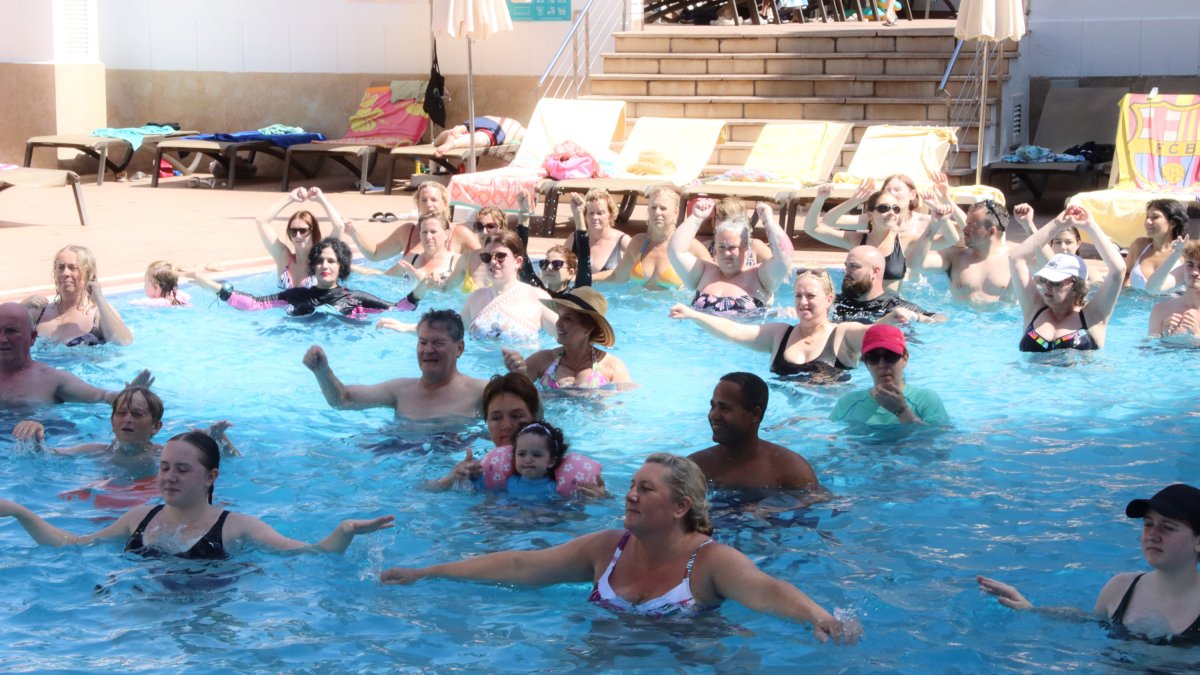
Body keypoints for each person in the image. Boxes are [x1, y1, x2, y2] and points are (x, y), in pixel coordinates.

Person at [381, 453, 855, 642]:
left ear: (679, 506)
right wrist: (429, 572)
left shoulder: (710, 562)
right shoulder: (608, 547)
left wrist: (820, 618)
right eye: (631, 484)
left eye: (645, 489)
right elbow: (523, 565)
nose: (630, 494)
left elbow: (768, 590)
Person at [0, 431, 394, 557]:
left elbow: (307, 553)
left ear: (211, 477)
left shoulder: (237, 527)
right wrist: (20, 512)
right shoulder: (139, 518)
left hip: (209, 616)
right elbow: (73, 545)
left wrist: (345, 531)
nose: (169, 477)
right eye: (165, 467)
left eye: (182, 470)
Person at [977, 483, 1200, 646]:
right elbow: (1089, 622)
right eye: (1148, 525)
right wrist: (1031, 609)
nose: (1152, 535)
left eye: (1168, 527)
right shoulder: (1120, 588)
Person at [669, 270, 877, 383]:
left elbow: (877, 335)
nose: (803, 302)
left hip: (825, 425)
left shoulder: (843, 334)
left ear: (829, 299)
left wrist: (892, 319)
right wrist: (693, 315)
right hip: (783, 423)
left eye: (811, 296)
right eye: (798, 296)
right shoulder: (780, 334)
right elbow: (734, 331)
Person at [305, 309, 486, 420]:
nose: (428, 350)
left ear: (459, 348)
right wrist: (322, 371)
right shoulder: (400, 391)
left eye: (438, 343)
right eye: (422, 342)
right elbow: (342, 400)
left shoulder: (480, 392)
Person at [11, 386, 237, 473]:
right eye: (121, 413)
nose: (127, 419)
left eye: (137, 414)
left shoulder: (164, 454)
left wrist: (219, 442)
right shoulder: (95, 450)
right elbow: (47, 456)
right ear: (111, 421)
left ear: (156, 427)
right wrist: (35, 436)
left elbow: (222, 463)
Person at [190, 238, 424, 319]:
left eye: (331, 261)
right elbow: (254, 304)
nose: (324, 265)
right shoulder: (296, 295)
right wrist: (210, 285)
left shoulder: (356, 299)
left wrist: (420, 291)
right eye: (320, 261)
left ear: (341, 267)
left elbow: (397, 310)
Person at [804, 177, 956, 292]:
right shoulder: (856, 240)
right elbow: (812, 228)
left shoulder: (905, 241)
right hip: (855, 305)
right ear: (870, 214)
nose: (891, 212)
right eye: (884, 208)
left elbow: (950, 239)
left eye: (896, 209)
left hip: (889, 308)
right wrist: (820, 199)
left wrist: (941, 218)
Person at [1009, 206, 1125, 352]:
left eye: (1055, 282)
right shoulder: (1033, 308)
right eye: (1044, 280)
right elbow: (1016, 259)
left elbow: (1118, 271)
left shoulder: (1093, 317)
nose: (1047, 286)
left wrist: (1090, 226)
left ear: (1076, 288)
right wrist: (1057, 223)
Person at [0, 302, 153, 407]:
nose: (2, 339)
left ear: (32, 338)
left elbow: (102, 397)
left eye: (11, 331)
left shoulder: (52, 379)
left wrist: (127, 396)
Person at [689, 373, 818, 490]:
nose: (714, 415)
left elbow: (815, 506)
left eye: (725, 408)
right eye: (713, 406)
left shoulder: (791, 470)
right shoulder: (696, 467)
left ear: (755, 414)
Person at [669, 198, 791, 317]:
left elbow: (784, 258)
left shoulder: (760, 278)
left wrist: (768, 221)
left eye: (732, 248)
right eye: (721, 247)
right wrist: (696, 218)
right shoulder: (704, 273)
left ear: (746, 247)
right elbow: (675, 251)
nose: (726, 253)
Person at [432, 420, 605, 499]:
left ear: (551, 461)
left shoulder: (555, 489)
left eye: (536, 455)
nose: (527, 459)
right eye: (521, 454)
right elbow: (477, 490)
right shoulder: (507, 482)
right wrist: (472, 476)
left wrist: (602, 496)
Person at [501, 287, 633, 390]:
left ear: (588, 327)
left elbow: (624, 411)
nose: (558, 323)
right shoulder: (543, 360)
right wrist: (517, 373)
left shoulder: (613, 367)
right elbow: (508, 394)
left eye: (568, 318)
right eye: (560, 316)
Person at [831, 323, 948, 425]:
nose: (882, 364)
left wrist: (902, 411)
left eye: (890, 356)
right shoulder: (848, 403)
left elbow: (940, 444)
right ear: (866, 363)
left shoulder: (925, 400)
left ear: (905, 359)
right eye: (873, 358)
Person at [21, 245, 133, 346]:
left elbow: (124, 342)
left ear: (89, 273)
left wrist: (100, 300)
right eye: (61, 267)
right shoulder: (39, 313)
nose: (65, 273)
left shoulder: (99, 313)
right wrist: (21, 308)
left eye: (72, 267)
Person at [910, 199, 1015, 305]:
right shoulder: (955, 257)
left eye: (971, 226)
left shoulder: (1015, 258)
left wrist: (1029, 226)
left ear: (991, 231)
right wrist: (933, 227)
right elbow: (914, 264)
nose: (964, 229)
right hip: (960, 319)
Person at [345, 182, 480, 261]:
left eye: (434, 200)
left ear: (445, 203)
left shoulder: (460, 233)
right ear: (418, 204)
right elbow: (375, 254)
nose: (429, 205)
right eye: (424, 200)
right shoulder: (407, 232)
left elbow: (484, 263)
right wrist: (354, 232)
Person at [610, 186, 707, 290]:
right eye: (653, 207)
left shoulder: (689, 246)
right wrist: (590, 278)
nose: (657, 212)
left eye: (663, 208)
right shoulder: (638, 243)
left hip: (673, 305)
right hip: (636, 305)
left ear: (676, 213)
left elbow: (714, 277)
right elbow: (616, 277)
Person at [255, 187, 346, 290]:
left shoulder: (322, 258)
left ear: (313, 232)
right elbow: (261, 221)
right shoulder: (283, 258)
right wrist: (290, 198)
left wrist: (321, 199)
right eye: (293, 231)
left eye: (303, 231)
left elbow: (339, 226)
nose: (298, 235)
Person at [834, 246, 944, 323]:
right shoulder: (838, 302)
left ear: (875, 272)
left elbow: (940, 319)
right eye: (846, 266)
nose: (846, 271)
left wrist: (916, 317)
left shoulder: (895, 306)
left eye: (853, 266)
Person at [1122, 199, 1189, 294]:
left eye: (1155, 217)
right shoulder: (1139, 245)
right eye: (1147, 217)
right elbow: (1125, 273)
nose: (1148, 221)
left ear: (1173, 223)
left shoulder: (1186, 252)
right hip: (1134, 307)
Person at [563, 189, 630, 282]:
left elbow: (630, 272)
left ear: (610, 214)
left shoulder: (623, 241)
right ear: (585, 215)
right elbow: (559, 266)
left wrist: (583, 279)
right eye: (591, 213)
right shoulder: (574, 239)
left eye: (600, 213)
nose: (595, 217)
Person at [379, 212, 460, 284]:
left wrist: (420, 280)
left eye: (433, 232)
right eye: (424, 232)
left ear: (447, 234)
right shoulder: (410, 261)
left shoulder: (457, 262)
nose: (428, 237)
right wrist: (366, 272)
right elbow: (382, 277)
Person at [1148, 240, 1200, 340]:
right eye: (1190, 265)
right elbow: (1147, 350)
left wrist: (1197, 336)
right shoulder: (1161, 311)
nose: (1194, 272)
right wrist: (1163, 337)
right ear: (1183, 268)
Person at [1010, 203, 1083, 268]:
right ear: (1050, 244)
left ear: (1078, 244)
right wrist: (1027, 224)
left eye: (1068, 242)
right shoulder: (1036, 266)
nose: (1063, 247)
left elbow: (1053, 266)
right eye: (1057, 242)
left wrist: (1029, 225)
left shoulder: (1089, 274)